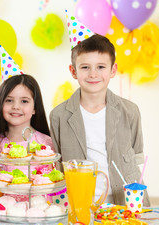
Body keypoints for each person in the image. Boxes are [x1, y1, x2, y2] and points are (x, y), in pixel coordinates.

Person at [49, 34, 150, 206]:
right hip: (80, 204)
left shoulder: (130, 111)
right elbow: (58, 165)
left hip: (126, 203)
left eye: (101, 66)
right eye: (85, 67)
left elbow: (136, 156)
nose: (93, 74)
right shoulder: (58, 116)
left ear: (113, 70)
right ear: (73, 71)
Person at [0, 74, 54, 200]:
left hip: (39, 213)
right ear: (1, 104)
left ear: (35, 108)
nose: (16, 106)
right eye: (9, 100)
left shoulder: (46, 144)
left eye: (24, 101)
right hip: (4, 214)